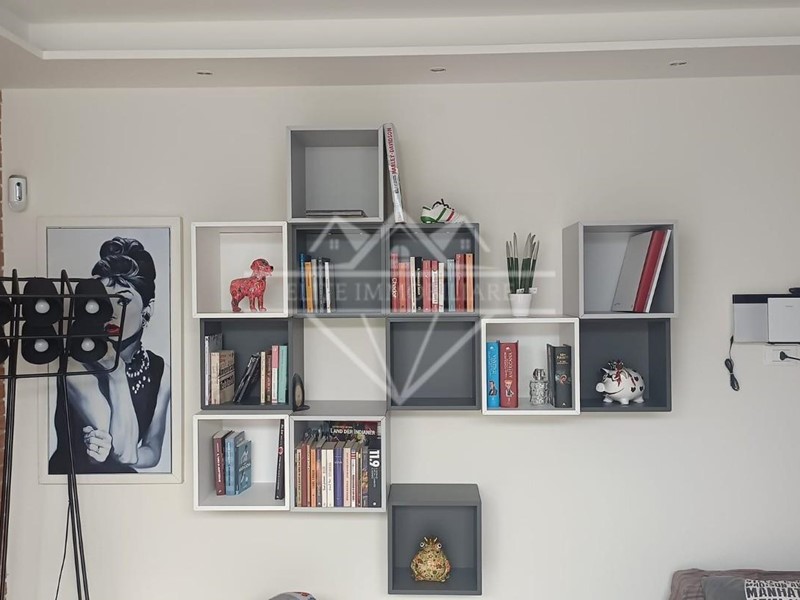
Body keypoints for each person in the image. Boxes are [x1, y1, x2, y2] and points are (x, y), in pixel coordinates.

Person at [49, 237, 171, 474]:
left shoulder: (160, 369)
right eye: (104, 300)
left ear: (147, 310)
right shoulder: (76, 361)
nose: (111, 311)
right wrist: (117, 374)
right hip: (72, 481)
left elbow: (152, 452)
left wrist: (128, 454)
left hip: (124, 483)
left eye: (122, 300)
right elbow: (124, 449)